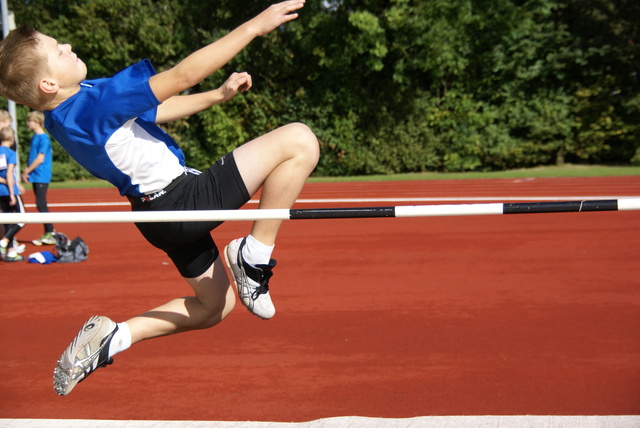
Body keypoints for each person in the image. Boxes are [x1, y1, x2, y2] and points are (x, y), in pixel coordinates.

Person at [0, 0, 318, 396]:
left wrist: (217, 96)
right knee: (299, 141)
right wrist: (254, 26)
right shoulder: (92, 103)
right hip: (180, 201)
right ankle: (254, 255)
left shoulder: (65, 113)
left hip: (156, 218)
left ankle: (115, 337)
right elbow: (181, 75)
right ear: (48, 83)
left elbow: (154, 110)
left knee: (214, 306)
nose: (66, 45)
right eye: (57, 51)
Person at [22, 110, 56, 245]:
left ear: (36, 122)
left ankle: (50, 232)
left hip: (41, 174)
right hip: (36, 175)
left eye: (29, 121)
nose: (27, 123)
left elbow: (40, 158)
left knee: (41, 203)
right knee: (40, 203)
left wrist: (26, 171)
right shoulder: (35, 137)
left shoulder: (43, 138)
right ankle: (49, 232)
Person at [0, 109, 25, 254]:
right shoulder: (10, 152)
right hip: (8, 189)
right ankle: (5, 242)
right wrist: (12, 189)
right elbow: (10, 174)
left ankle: (9, 249)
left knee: (8, 218)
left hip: (1, 188)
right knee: (22, 218)